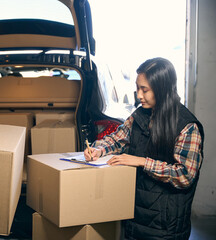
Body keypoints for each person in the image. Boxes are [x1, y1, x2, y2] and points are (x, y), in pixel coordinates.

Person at [84, 57, 204, 240]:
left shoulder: (187, 126)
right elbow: (117, 139)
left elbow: (185, 175)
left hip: (165, 225)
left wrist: (141, 162)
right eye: (137, 88)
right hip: (135, 216)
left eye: (145, 90)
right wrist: (97, 149)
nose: (139, 95)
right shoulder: (140, 115)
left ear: (162, 88)